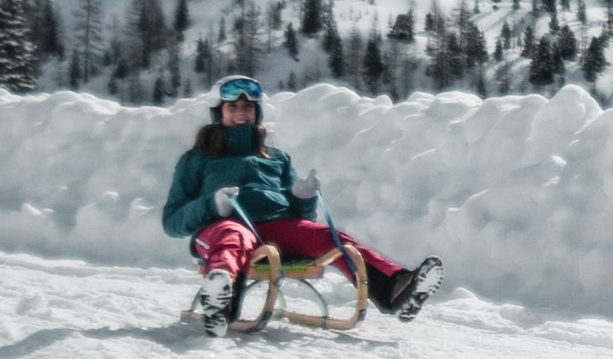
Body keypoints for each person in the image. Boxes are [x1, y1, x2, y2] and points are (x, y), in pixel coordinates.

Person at [163, 74, 440, 324]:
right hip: (221, 229)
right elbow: (172, 221)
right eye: (232, 107)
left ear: (256, 113)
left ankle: (396, 290)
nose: (240, 113)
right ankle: (219, 298)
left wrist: (302, 197)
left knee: (332, 238)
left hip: (275, 229)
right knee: (232, 236)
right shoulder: (197, 159)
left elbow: (302, 218)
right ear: (218, 113)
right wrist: (212, 206)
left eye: (247, 107)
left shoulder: (276, 158)